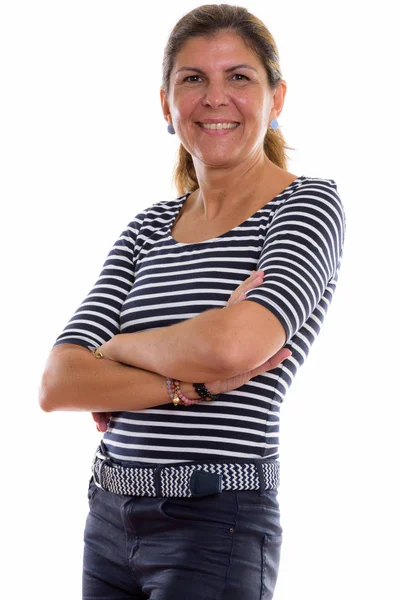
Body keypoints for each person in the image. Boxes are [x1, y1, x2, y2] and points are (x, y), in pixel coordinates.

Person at [39, 4, 346, 599]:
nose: (215, 98)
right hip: (107, 517)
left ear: (276, 98)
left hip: (218, 523)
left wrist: (117, 352)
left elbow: (235, 346)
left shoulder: (304, 207)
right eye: (193, 79)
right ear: (166, 105)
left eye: (239, 77)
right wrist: (192, 386)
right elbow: (58, 383)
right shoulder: (146, 229)